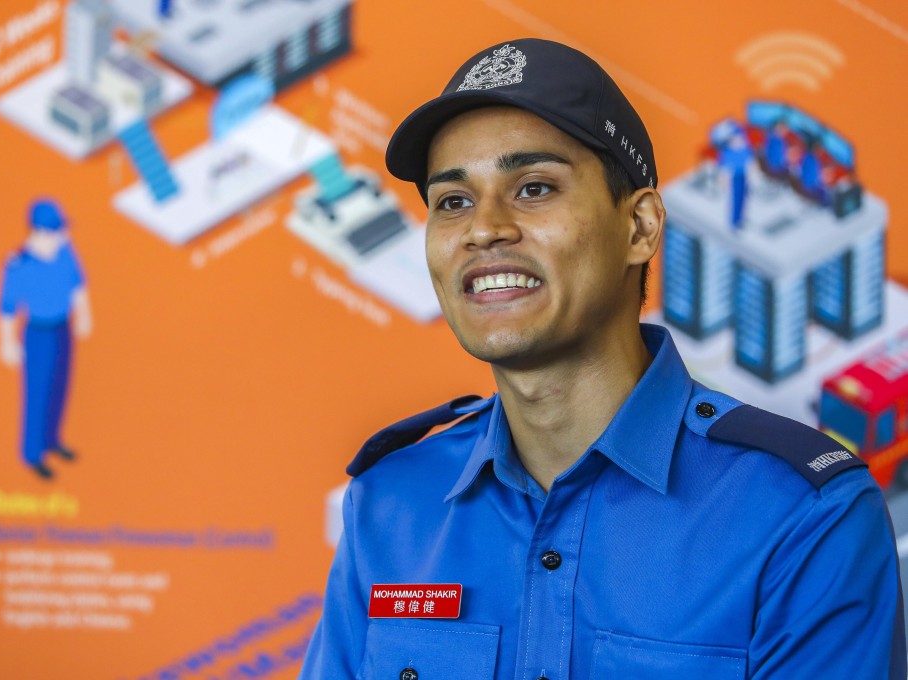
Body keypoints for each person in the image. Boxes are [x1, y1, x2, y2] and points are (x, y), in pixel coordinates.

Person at [299, 39, 905, 679]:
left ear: (640, 227)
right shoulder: (391, 505)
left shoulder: (802, 519)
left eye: (533, 188)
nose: (483, 229)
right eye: (453, 201)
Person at [0, 198, 92, 480]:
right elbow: (7, 307)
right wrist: (6, 341)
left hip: (63, 329)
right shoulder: (19, 264)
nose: (62, 235)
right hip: (37, 333)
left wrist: (85, 314)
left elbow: (77, 284)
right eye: (55, 231)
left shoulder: (65, 252)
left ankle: (52, 439)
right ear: (38, 232)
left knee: (60, 387)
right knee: (37, 394)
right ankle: (32, 454)